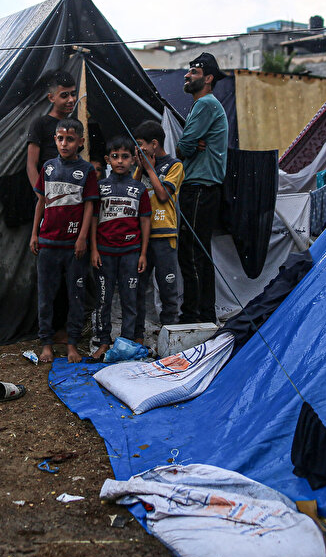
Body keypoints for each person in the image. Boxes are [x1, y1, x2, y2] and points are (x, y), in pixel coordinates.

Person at [30, 118, 98, 363]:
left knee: (75, 296)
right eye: (60, 138)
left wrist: (82, 238)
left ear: (80, 141)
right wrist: (34, 233)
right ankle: (46, 344)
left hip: (73, 246)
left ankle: (72, 344)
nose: (64, 143)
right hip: (48, 243)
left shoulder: (87, 171)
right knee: (46, 296)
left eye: (70, 139)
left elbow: (89, 206)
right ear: (55, 140)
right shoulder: (48, 167)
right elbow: (41, 202)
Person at [176, 52, 228, 324]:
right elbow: (188, 145)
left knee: (192, 254)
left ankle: (194, 317)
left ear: (208, 79)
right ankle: (203, 315)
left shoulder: (205, 104)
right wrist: (190, 143)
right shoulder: (207, 105)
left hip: (199, 189)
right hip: (203, 189)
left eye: (194, 72)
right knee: (198, 253)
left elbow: (183, 147)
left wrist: (188, 144)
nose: (187, 75)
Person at [90, 135, 151, 359]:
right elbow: (93, 219)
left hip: (131, 253)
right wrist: (94, 249)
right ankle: (103, 341)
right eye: (115, 156)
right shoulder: (100, 188)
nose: (120, 161)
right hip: (104, 253)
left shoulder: (139, 189)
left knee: (130, 299)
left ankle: (126, 342)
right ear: (108, 159)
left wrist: (143, 253)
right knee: (103, 300)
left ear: (133, 160)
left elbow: (145, 221)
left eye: (125, 157)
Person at [133, 119, 183, 341]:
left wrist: (149, 169)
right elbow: (133, 191)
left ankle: (168, 335)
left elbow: (163, 195)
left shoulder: (175, 165)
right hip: (142, 236)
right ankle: (137, 334)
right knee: (138, 286)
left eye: (141, 144)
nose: (139, 149)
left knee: (167, 287)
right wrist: (139, 167)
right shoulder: (142, 166)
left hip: (164, 234)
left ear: (154, 144)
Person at [26, 71, 79, 189]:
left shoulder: (76, 124)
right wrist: (41, 195)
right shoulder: (40, 124)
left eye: (73, 94)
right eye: (64, 95)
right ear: (51, 97)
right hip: (49, 188)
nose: (71, 99)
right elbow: (31, 166)